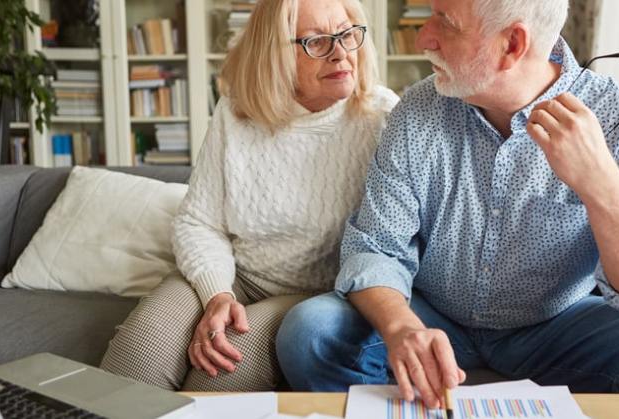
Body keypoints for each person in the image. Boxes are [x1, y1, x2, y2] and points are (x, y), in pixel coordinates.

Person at [275, 0, 619, 417]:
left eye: (445, 24)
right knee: (310, 333)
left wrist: (601, 184)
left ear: (512, 44)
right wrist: (401, 328)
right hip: (433, 316)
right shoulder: (416, 111)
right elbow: (375, 247)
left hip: (560, 326)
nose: (423, 38)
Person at [100, 0, 398, 392]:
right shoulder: (236, 112)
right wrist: (217, 295)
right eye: (315, 42)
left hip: (314, 295)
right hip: (236, 275)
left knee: (219, 371)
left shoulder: (383, 116)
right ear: (274, 53)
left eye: (346, 34)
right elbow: (199, 221)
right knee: (140, 352)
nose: (341, 52)